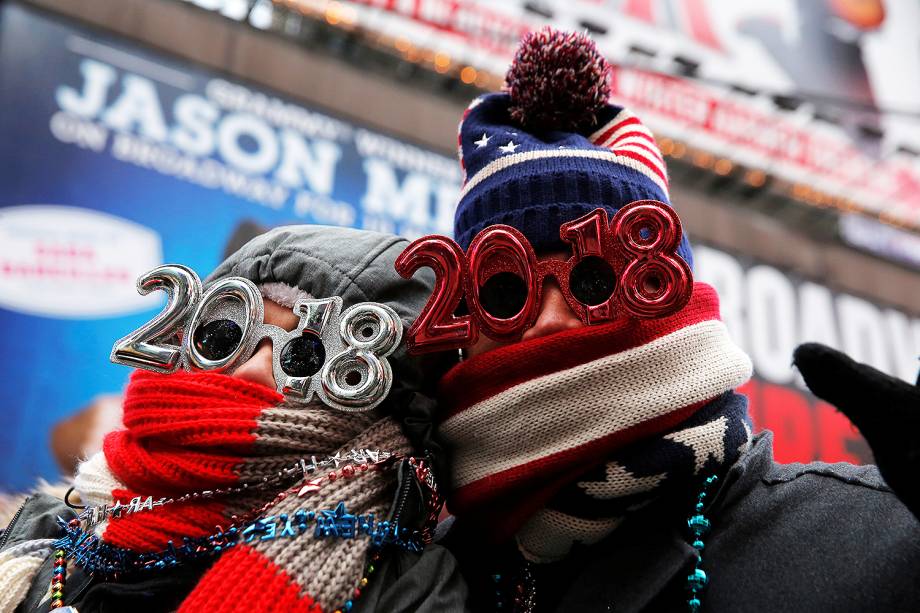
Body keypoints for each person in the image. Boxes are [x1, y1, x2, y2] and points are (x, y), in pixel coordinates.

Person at [416, 28, 920, 612]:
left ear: (668, 292)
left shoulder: (872, 540)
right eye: (505, 291)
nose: (549, 323)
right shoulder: (409, 576)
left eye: (597, 282)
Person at [0, 225, 467, 613]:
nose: (252, 370)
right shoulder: (52, 529)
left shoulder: (407, 592)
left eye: (307, 355)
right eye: (227, 336)